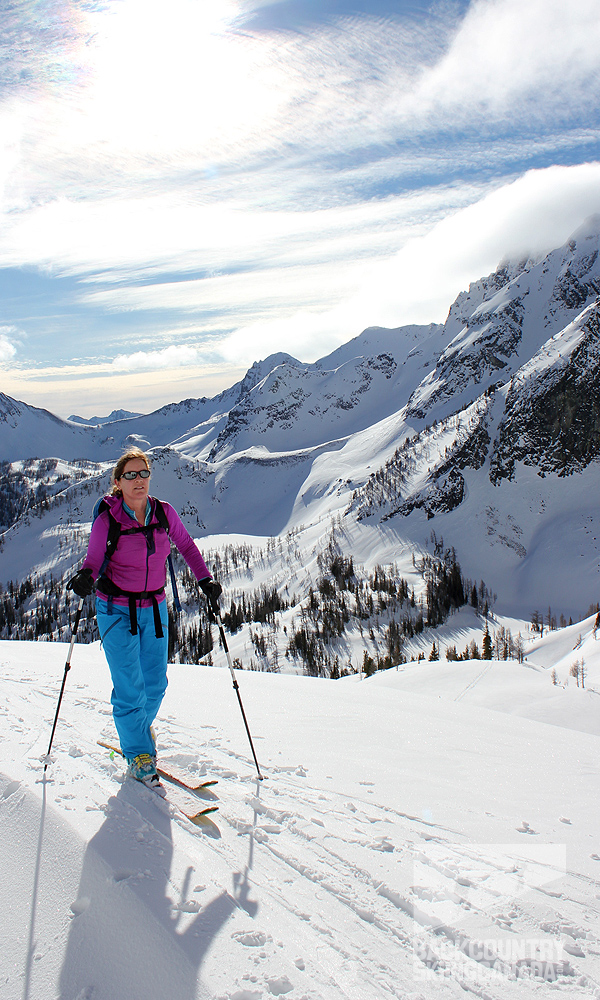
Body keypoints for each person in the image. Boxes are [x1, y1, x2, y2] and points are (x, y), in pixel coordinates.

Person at [67, 447, 221, 794]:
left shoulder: (163, 513)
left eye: (144, 473)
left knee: (156, 685)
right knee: (129, 687)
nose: (139, 480)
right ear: (118, 483)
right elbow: (93, 561)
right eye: (131, 475)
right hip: (115, 609)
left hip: (153, 608)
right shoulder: (108, 520)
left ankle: (136, 731)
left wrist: (204, 579)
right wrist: (84, 578)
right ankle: (138, 755)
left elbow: (187, 546)